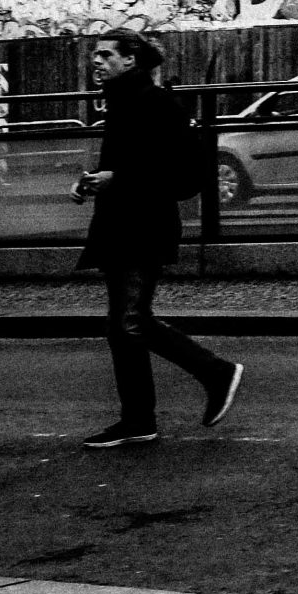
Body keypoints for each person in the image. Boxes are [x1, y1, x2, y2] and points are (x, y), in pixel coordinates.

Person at [73, 31, 244, 450]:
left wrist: (119, 179)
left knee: (129, 322)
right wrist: (95, 183)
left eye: (105, 55)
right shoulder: (124, 103)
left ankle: (213, 375)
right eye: (95, 55)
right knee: (126, 325)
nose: (95, 61)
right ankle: (140, 418)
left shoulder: (156, 104)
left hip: (142, 227)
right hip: (121, 224)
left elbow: (191, 176)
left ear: (131, 60)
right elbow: (134, 168)